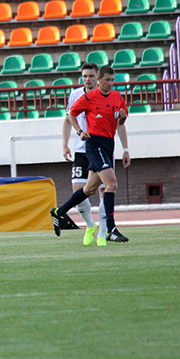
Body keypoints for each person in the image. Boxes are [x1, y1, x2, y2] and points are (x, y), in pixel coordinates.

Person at [50, 65, 131, 245]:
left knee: (90, 189)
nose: (110, 83)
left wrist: (125, 146)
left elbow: (120, 121)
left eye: (112, 80)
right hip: (92, 145)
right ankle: (110, 229)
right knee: (111, 184)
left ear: (96, 78)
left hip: (108, 144)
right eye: (107, 80)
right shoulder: (84, 96)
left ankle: (59, 212)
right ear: (100, 80)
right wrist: (77, 134)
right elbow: (70, 116)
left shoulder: (117, 97)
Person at [61, 63, 102, 242]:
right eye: (85, 76)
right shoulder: (75, 94)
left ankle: (104, 230)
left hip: (100, 148)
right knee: (78, 189)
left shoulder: (105, 95)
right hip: (81, 149)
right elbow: (68, 119)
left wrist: (125, 148)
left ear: (97, 77)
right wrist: (65, 144)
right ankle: (90, 225)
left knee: (102, 191)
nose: (87, 79)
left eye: (91, 76)